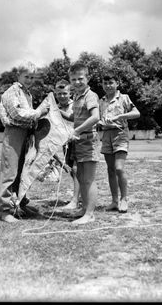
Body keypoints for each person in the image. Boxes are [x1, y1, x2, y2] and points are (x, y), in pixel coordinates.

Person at [0, 63, 50, 223]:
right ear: (18, 75)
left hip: (26, 133)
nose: (30, 80)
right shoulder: (12, 92)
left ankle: (20, 203)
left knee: (23, 171)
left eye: (32, 77)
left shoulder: (27, 93)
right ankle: (5, 210)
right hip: (14, 134)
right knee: (9, 171)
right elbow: (17, 113)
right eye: (27, 76)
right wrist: (38, 112)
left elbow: (27, 114)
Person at [60, 63, 100, 225]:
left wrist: (76, 131)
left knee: (89, 179)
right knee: (82, 178)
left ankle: (90, 214)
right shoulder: (77, 96)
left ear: (87, 78)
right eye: (73, 79)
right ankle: (84, 210)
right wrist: (57, 111)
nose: (77, 82)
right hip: (78, 142)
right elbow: (74, 118)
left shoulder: (90, 95)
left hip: (88, 140)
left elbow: (95, 117)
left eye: (80, 78)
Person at [99, 72, 140, 213]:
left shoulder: (124, 98)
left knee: (119, 168)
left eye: (111, 83)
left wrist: (120, 116)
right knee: (110, 169)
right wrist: (101, 122)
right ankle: (114, 201)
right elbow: (97, 119)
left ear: (117, 83)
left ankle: (124, 199)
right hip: (106, 135)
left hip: (121, 134)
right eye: (105, 83)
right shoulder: (101, 101)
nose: (108, 86)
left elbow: (137, 113)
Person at [53, 79, 81, 210]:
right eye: (59, 94)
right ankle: (80, 196)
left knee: (76, 170)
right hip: (65, 144)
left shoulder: (75, 104)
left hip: (78, 140)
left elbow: (74, 118)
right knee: (71, 171)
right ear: (55, 94)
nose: (62, 96)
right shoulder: (54, 109)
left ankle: (75, 200)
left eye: (65, 93)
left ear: (70, 93)